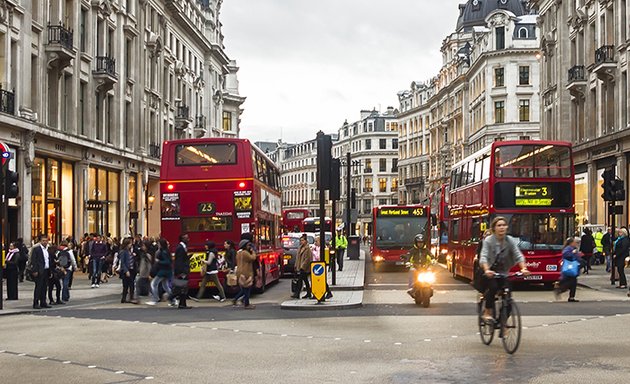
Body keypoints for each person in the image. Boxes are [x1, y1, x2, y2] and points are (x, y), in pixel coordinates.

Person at [479, 217, 531, 320]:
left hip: (503, 272)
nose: (502, 227)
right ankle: (487, 311)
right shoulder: (489, 240)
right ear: (494, 228)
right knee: (492, 287)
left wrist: (524, 268)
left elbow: (518, 255)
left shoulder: (509, 240)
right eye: (499, 225)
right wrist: (486, 270)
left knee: (508, 300)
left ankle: (502, 323)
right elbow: (483, 257)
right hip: (490, 271)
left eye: (504, 225)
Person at [146, 238, 173, 306]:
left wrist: (159, 261)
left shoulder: (163, 252)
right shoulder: (166, 251)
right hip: (167, 271)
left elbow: (167, 262)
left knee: (153, 284)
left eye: (158, 243)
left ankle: (155, 299)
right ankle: (173, 300)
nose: (158, 245)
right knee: (166, 286)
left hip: (163, 271)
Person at [554, 237, 582, 302]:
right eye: (574, 242)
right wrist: (573, 253)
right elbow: (565, 254)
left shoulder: (573, 248)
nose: (575, 243)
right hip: (569, 267)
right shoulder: (568, 248)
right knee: (571, 282)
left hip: (572, 267)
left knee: (573, 282)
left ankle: (571, 297)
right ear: (571, 243)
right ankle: (560, 290)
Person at [233, 239, 257, 309]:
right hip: (246, 272)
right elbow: (252, 258)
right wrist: (253, 252)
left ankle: (237, 299)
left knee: (244, 288)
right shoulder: (245, 253)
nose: (249, 246)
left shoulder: (238, 253)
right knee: (247, 289)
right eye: (248, 245)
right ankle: (246, 304)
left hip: (239, 272)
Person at [30, 235, 52, 309]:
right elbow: (34, 260)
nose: (45, 242)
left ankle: (43, 302)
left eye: (46, 240)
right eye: (43, 241)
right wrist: (35, 270)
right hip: (39, 271)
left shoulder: (48, 249)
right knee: (38, 287)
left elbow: (48, 260)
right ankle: (36, 303)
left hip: (46, 270)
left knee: (44, 287)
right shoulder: (37, 249)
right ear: (40, 241)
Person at [172, 234, 192, 309]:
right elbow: (179, 261)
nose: (188, 239)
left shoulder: (182, 247)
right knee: (182, 287)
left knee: (183, 287)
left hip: (183, 269)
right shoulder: (180, 248)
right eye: (186, 238)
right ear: (182, 239)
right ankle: (182, 304)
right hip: (182, 270)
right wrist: (181, 272)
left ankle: (183, 303)